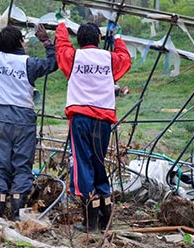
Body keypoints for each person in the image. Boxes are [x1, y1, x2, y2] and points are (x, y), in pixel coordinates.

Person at [0, 0, 58, 221]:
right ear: (20, 43)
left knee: (0, 162)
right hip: (23, 117)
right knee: (22, 163)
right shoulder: (30, 64)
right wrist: (47, 41)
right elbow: (53, 63)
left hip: (0, 115)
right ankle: (17, 208)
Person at [54, 12, 131, 232]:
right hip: (104, 120)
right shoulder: (109, 59)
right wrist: (117, 39)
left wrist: (61, 24)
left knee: (83, 165)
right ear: (98, 39)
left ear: (79, 40)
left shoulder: (74, 57)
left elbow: (61, 47)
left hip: (81, 118)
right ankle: (105, 219)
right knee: (98, 164)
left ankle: (90, 221)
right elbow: (124, 59)